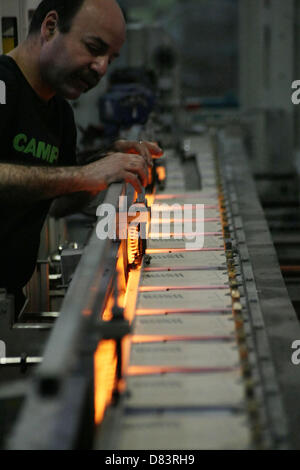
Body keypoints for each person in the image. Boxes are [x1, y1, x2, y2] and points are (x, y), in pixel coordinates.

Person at [0, 0, 162, 315]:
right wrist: (84, 175)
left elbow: (58, 200)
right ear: (50, 27)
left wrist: (108, 163)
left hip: (10, 303)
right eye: (93, 47)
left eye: (110, 59)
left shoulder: (59, 114)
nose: (101, 68)